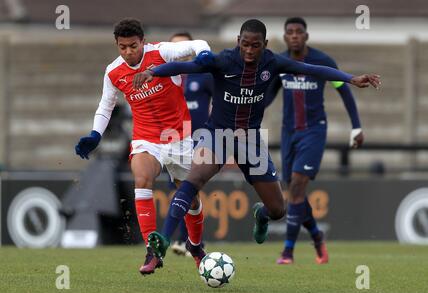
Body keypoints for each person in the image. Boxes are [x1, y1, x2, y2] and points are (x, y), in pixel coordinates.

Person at [132, 19, 380, 269]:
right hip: (216, 134)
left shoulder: (273, 63)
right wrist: (152, 72)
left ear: (265, 45)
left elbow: (313, 69)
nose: (250, 51)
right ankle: (161, 242)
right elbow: (182, 67)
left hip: (250, 140)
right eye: (246, 44)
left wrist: (350, 78)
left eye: (256, 46)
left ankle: (260, 215)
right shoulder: (223, 61)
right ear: (238, 41)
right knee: (192, 181)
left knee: (277, 210)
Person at [74, 18, 211, 275]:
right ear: (116, 44)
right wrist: (95, 134)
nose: (128, 52)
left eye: (133, 46)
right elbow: (106, 106)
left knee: (191, 198)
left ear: (143, 42)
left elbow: (199, 44)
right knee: (142, 178)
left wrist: (204, 54)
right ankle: (153, 250)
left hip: (179, 137)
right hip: (146, 138)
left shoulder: (161, 52)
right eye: (122, 47)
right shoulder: (113, 72)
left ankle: (195, 246)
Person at [265, 17, 365, 265]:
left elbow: (344, 89)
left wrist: (356, 126)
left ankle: (287, 251)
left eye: (299, 32)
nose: (295, 36)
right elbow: (267, 97)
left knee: (298, 186)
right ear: (285, 36)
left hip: (314, 132)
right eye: (290, 32)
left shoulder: (322, 61)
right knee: (294, 193)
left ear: (306, 36)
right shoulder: (280, 63)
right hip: (289, 133)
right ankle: (317, 236)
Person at [168, 32, 214, 256]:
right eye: (174, 46)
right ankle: (190, 240)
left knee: (191, 186)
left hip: (198, 138)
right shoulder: (166, 76)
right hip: (173, 138)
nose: (179, 52)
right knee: (179, 189)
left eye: (183, 46)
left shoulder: (203, 75)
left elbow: (219, 100)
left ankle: (188, 240)